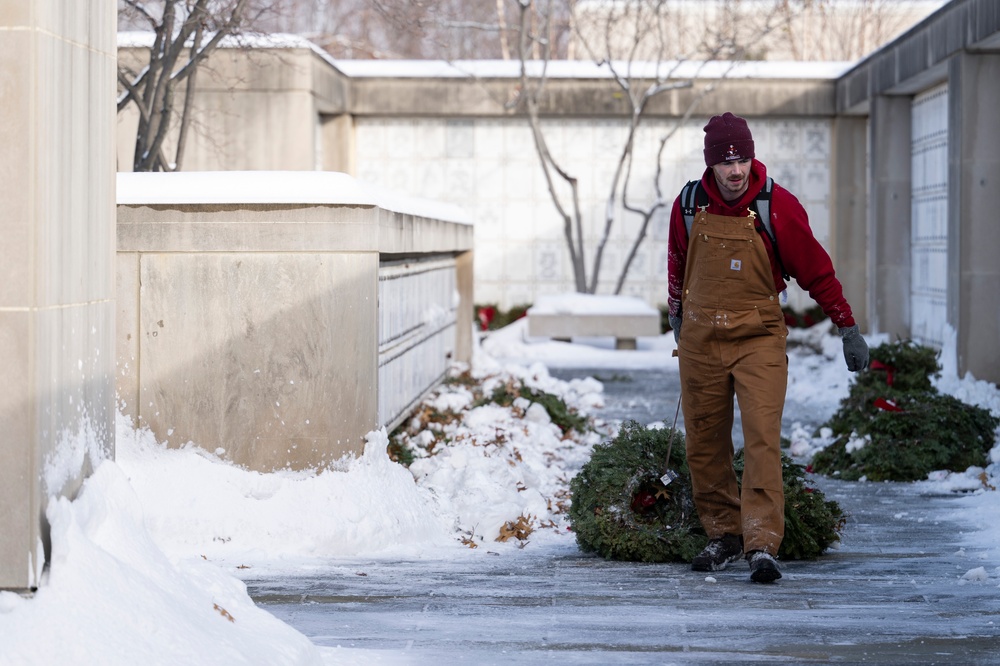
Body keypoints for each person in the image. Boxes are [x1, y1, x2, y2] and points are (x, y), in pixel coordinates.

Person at [666, 112, 869, 583]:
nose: (736, 170)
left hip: (758, 337)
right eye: (726, 161)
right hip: (701, 338)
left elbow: (815, 269)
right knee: (704, 440)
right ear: (711, 164)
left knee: (761, 440)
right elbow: (678, 258)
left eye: (743, 159)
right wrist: (677, 313)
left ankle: (761, 543)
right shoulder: (690, 203)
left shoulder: (776, 204)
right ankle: (724, 534)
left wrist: (846, 325)